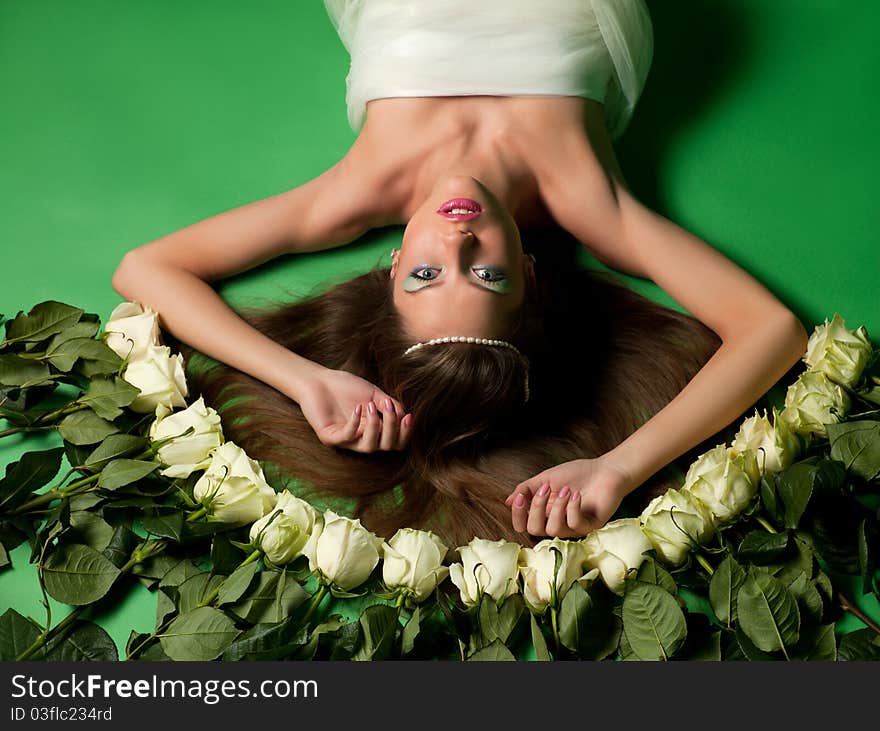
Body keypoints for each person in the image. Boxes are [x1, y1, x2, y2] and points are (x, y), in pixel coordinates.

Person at [111, 0, 809, 547]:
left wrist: (304, 378)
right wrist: (620, 467)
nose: (457, 236)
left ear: (389, 270)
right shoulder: (586, 199)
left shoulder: (362, 191)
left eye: (424, 274)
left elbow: (146, 268)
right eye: (487, 277)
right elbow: (770, 329)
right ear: (531, 277)